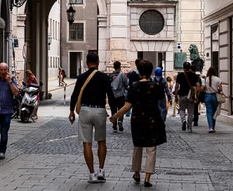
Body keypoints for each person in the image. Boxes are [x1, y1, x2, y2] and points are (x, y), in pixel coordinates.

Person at [110, 60, 167, 188]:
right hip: (153, 119)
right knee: (151, 148)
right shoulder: (157, 86)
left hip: (138, 120)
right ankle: (147, 177)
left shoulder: (134, 86)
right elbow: (163, 103)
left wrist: (115, 116)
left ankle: (136, 173)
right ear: (150, 71)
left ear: (139, 72)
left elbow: (127, 106)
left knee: (138, 146)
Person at [69, 51, 116, 183]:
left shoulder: (82, 77)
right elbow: (111, 96)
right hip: (100, 110)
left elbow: (74, 95)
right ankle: (101, 170)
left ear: (87, 62)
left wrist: (71, 111)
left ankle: (92, 174)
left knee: (87, 143)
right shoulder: (104, 77)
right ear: (98, 62)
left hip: (85, 110)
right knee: (101, 141)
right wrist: (114, 114)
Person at [175, 62, 200, 132]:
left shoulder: (180, 75)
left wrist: (176, 95)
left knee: (181, 109)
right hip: (191, 96)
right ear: (190, 68)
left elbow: (177, 86)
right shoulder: (194, 75)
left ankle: (183, 120)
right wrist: (197, 94)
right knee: (191, 111)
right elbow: (198, 86)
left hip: (182, 95)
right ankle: (189, 127)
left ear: (183, 68)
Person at [108, 61, 129, 132]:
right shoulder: (122, 75)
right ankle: (120, 121)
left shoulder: (110, 75)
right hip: (120, 95)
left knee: (113, 110)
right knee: (121, 110)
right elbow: (126, 84)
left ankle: (114, 126)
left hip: (112, 96)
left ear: (114, 67)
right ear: (120, 67)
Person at [203, 67, 224, 132]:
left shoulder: (206, 79)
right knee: (214, 112)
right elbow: (220, 89)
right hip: (215, 96)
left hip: (207, 96)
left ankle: (210, 127)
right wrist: (216, 89)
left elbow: (203, 88)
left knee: (209, 112)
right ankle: (213, 127)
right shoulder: (218, 79)